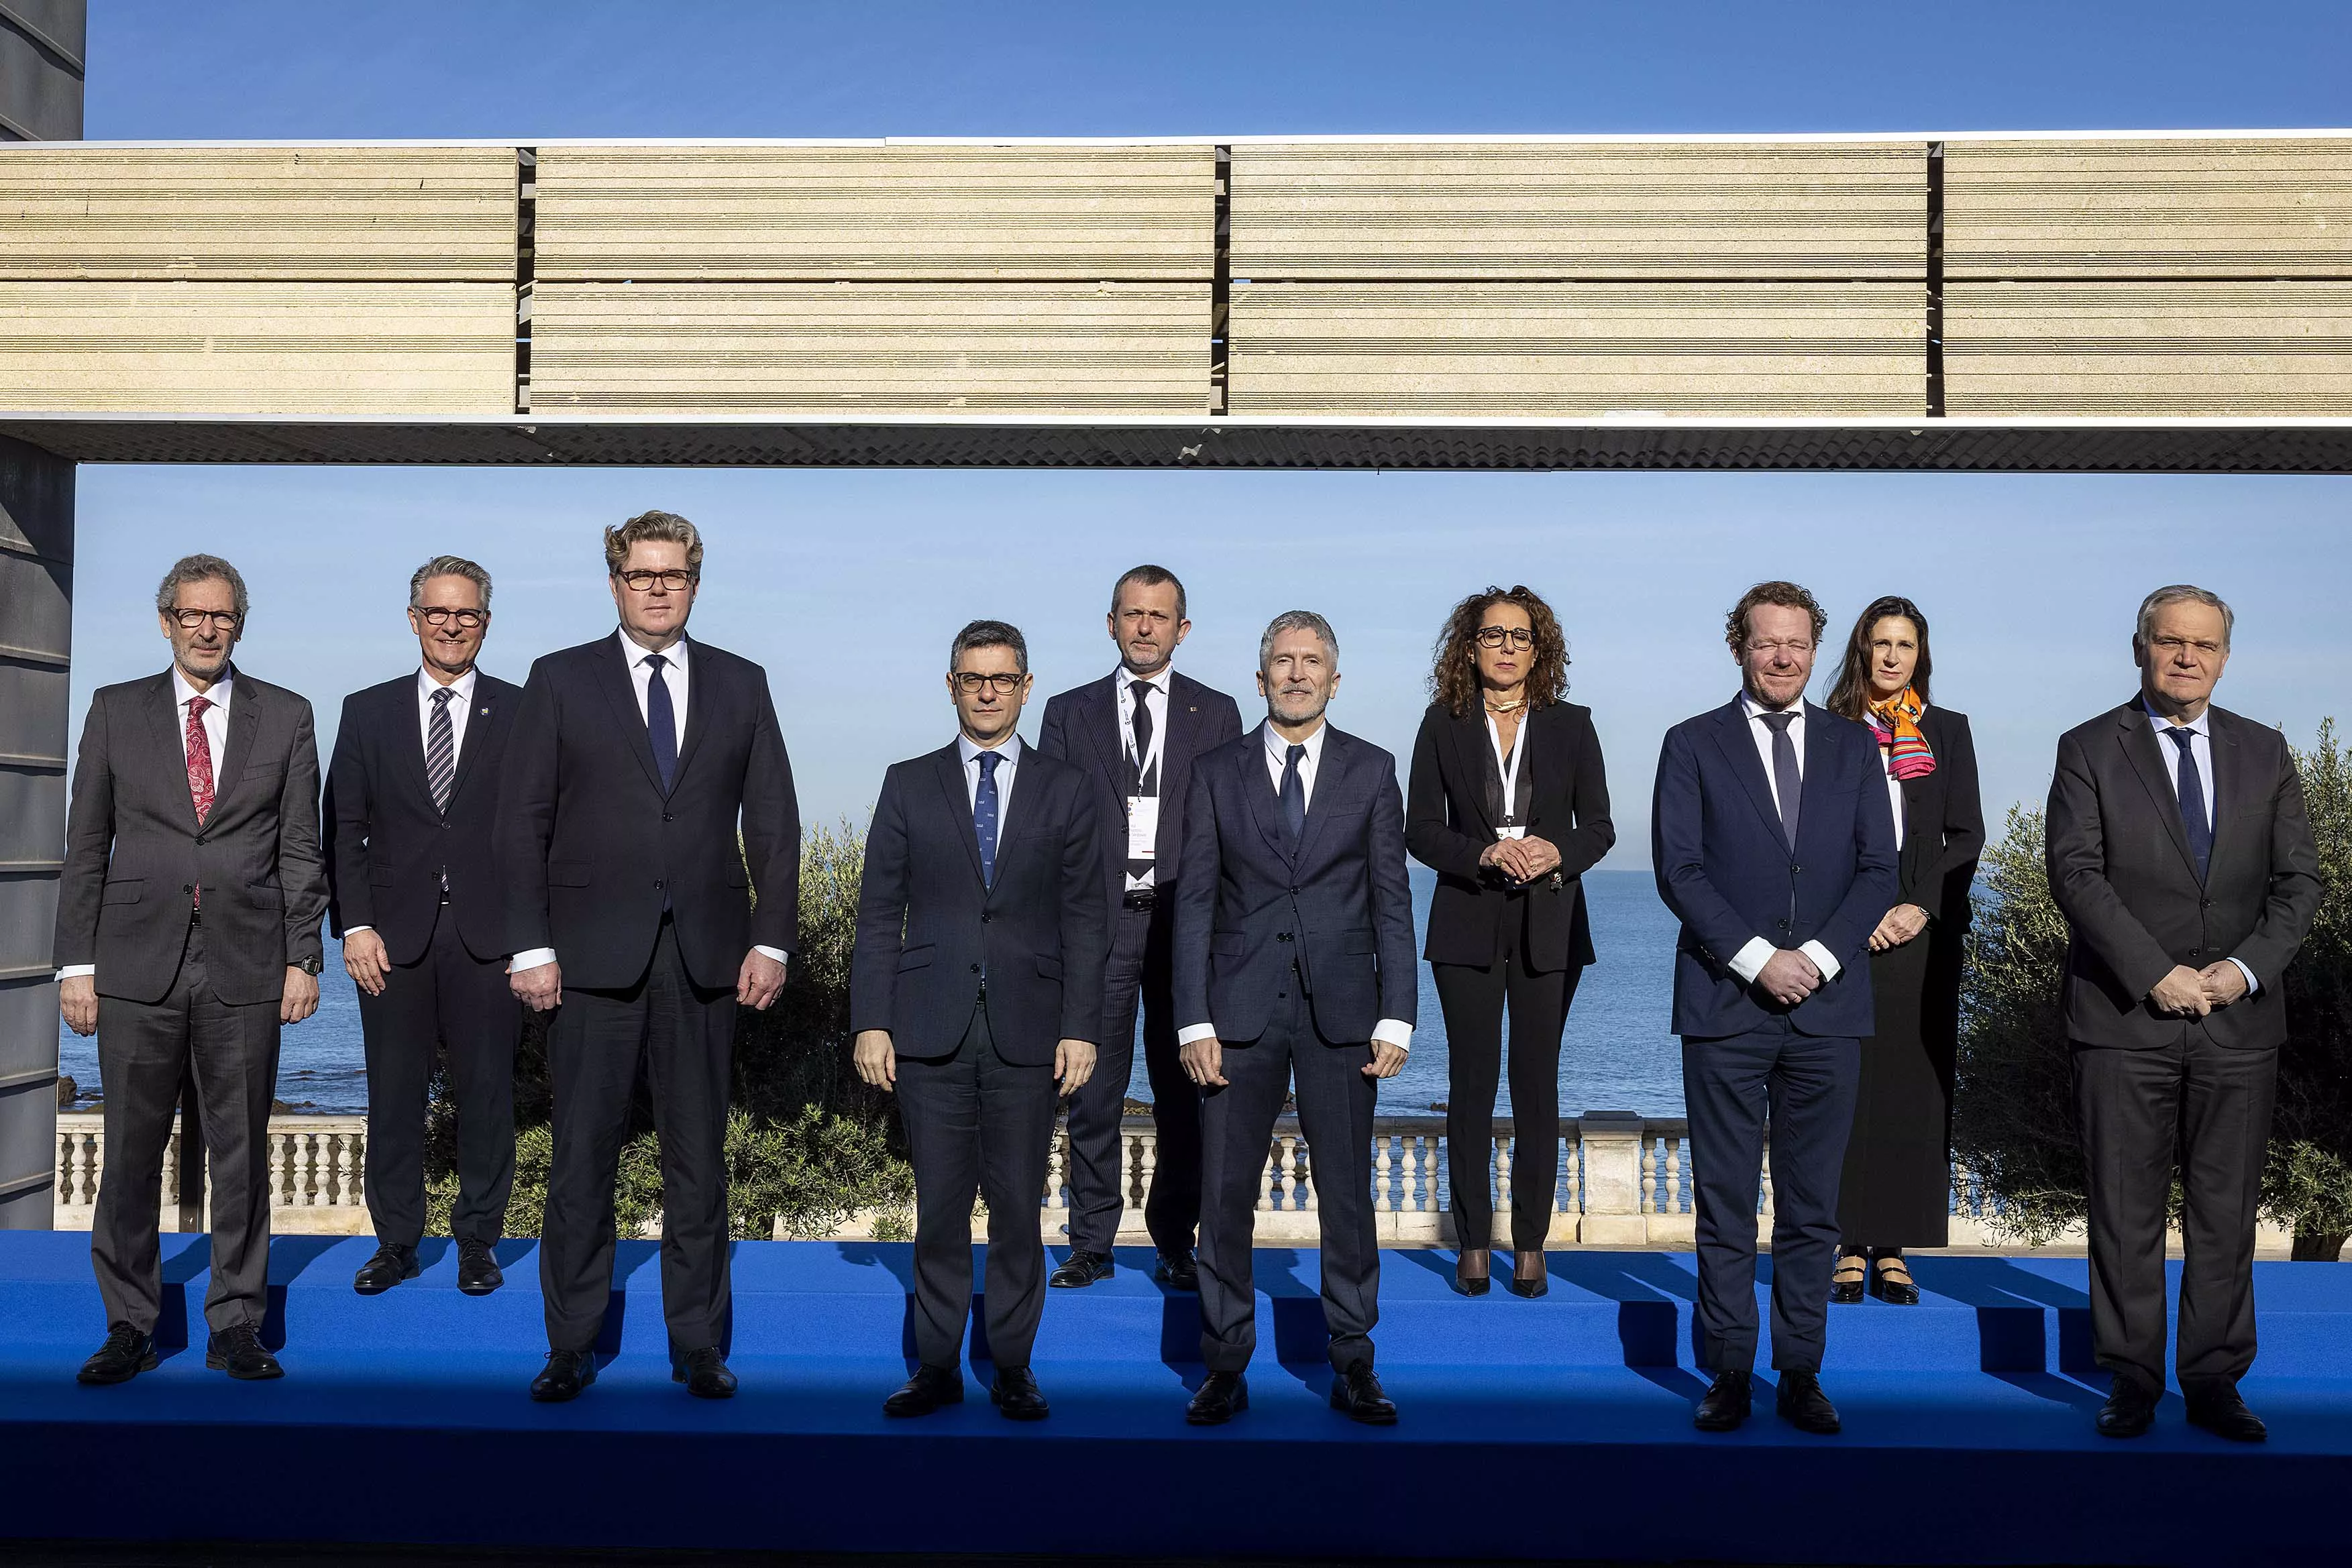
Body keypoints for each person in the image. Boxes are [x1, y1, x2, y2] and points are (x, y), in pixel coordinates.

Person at [496, 511, 800, 1404]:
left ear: (694, 584)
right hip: (586, 957)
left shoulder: (742, 683)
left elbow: (773, 821)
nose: (657, 588)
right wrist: (530, 944)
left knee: (698, 1161)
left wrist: (771, 937)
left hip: (707, 957)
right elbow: (520, 820)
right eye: (641, 574)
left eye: (673, 574)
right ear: (614, 582)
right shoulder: (559, 679)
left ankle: (697, 1343)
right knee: (580, 1160)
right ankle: (570, 1343)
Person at [2047, 584, 2319, 1443]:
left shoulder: (2264, 751)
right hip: (2122, 1018)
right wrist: (2153, 973)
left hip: (2238, 1024)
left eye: (2203, 645)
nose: (2185, 657)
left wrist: (2242, 972)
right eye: (2170, 641)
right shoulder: (2087, 747)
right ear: (2140, 648)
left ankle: (2212, 1381)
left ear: (2224, 658)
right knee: (2122, 1209)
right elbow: (2074, 874)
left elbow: (2299, 883)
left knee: (2224, 1213)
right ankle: (2131, 1378)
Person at [57, 555, 329, 1385]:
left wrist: (303, 955)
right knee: (128, 1155)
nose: (207, 629)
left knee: (240, 1156)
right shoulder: (115, 710)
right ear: (166, 621)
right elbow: (86, 844)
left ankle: (237, 1325)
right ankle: (129, 1324)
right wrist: (76, 965)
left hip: (247, 963)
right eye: (192, 614)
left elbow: (299, 847)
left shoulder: (287, 715)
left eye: (222, 616)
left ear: (239, 623)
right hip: (135, 962)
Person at [1652, 581, 1896, 1436]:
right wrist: (1759, 960)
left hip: (1829, 1009)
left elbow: (1879, 870)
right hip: (1723, 1004)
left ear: (1814, 649)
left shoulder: (1853, 745)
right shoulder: (1690, 743)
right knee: (1723, 1202)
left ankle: (1800, 1371)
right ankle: (1728, 1369)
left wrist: (1816, 961)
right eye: (1766, 643)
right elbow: (1678, 870)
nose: (1783, 657)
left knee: (1811, 1207)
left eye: (1796, 643)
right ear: (1739, 648)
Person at [851, 620, 1109, 1421]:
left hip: (1030, 1033)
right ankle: (935, 1368)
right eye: (973, 678)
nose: (987, 691)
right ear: (951, 685)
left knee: (1017, 1211)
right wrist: (870, 1021)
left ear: (1025, 687)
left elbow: (1087, 919)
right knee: (937, 1211)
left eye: (1001, 678)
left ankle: (1013, 1366)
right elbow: (876, 913)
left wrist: (1081, 1025)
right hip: (927, 1028)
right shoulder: (907, 782)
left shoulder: (1068, 788)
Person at [1174, 610, 1416, 1427]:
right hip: (1234, 1016)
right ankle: (1224, 1364)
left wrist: (1398, 1015)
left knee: (1345, 1195)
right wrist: (1191, 1021)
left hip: (1342, 1014)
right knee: (1223, 1197)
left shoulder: (1372, 770)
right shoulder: (1214, 772)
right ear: (1260, 677)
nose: (1297, 673)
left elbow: (1391, 898)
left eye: (1312, 661)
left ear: (1334, 680)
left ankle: (1354, 1360)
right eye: (1283, 660)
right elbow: (1194, 903)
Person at [1036, 565, 1243, 1291]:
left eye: (1158, 616)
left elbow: (1229, 826)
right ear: (1111, 624)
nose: (1145, 627)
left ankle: (1174, 1241)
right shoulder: (1067, 713)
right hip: (1099, 926)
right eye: (1132, 614)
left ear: (1181, 629)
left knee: (1184, 1094)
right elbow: (1051, 826)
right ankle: (1091, 1243)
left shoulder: (1217, 714)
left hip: (1187, 927)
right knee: (1091, 1093)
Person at [1406, 585, 1613, 1298]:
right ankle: (1471, 1241)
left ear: (1538, 648)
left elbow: (1600, 828)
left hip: (1549, 923)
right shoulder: (1441, 723)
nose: (1506, 647)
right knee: (1469, 1085)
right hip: (1465, 919)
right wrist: (1483, 854)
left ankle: (1529, 1244)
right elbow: (1418, 829)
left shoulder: (1573, 725)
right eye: (1492, 635)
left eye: (1519, 636)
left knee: (1536, 1085)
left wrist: (1555, 852)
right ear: (1469, 648)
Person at [325, 556, 521, 1298]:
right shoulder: (366, 711)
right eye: (437, 612)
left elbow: (543, 829)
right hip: (390, 940)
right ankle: (396, 1243)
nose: (451, 626)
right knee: (393, 1096)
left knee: (487, 1096)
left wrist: (534, 938)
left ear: (485, 623)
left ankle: (478, 1242)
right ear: (413, 620)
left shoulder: (523, 710)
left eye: (466, 613)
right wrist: (355, 926)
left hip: (491, 938)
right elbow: (343, 829)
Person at [1821, 598, 1984, 1306]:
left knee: (1911, 1091)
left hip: (1923, 935)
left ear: (1921, 655)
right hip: (1843, 933)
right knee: (1844, 1088)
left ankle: (1891, 1246)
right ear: (1861, 649)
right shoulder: (1826, 729)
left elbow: (1966, 834)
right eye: (1880, 642)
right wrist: (1856, 916)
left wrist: (1918, 906)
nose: (1891, 656)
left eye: (1905, 644)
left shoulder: (1947, 731)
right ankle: (1844, 1242)